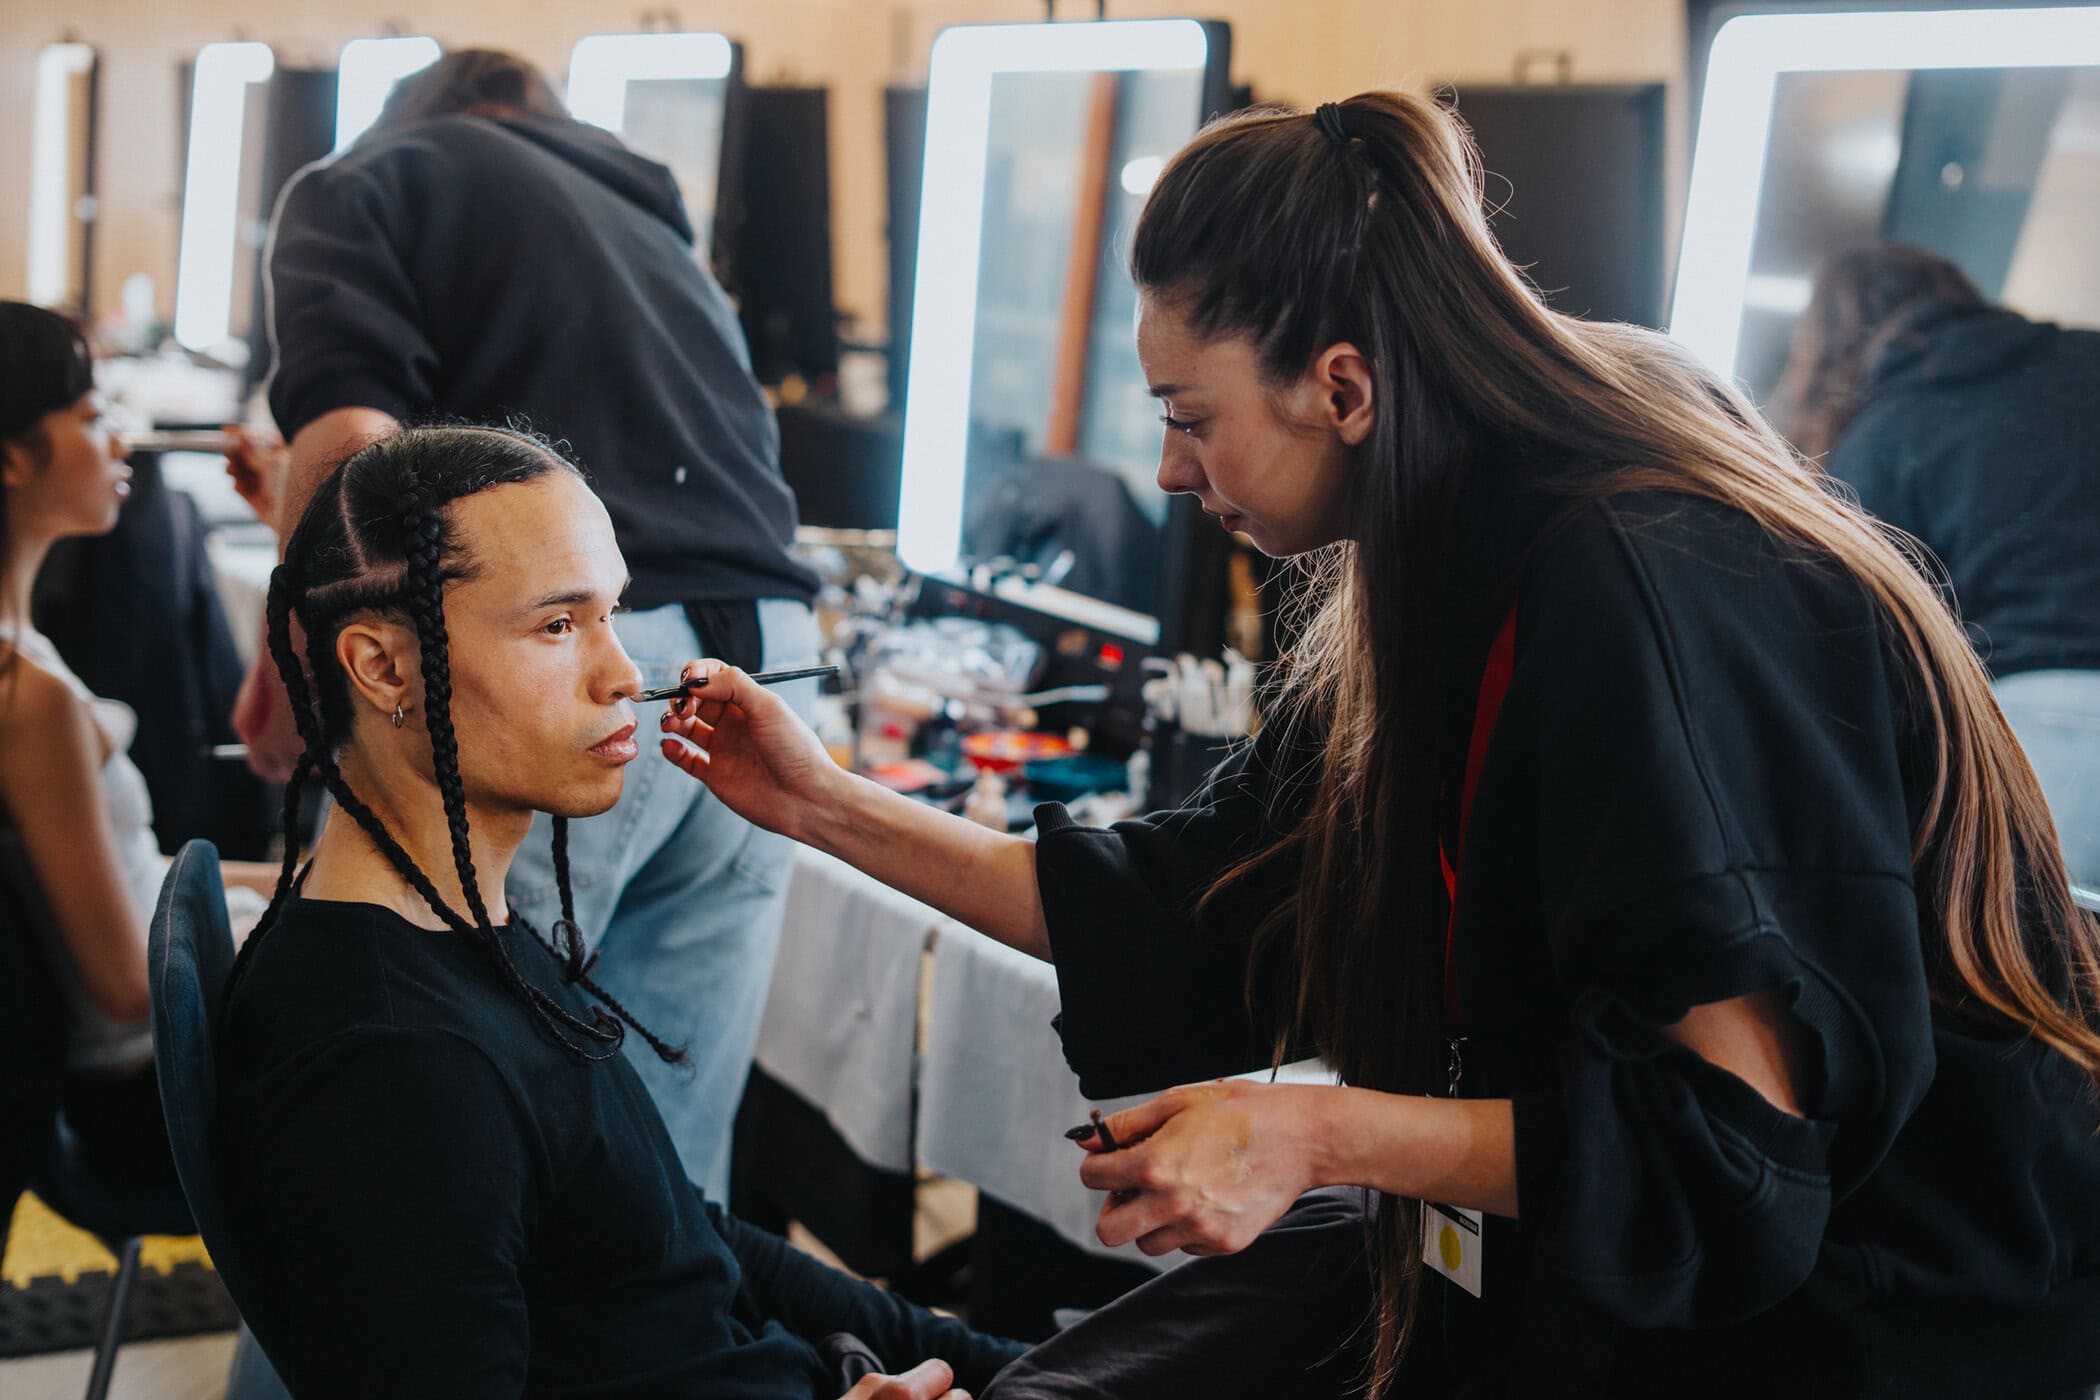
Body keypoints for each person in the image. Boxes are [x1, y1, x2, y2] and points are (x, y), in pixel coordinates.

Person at [657, 96, 2100, 1397]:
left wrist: (1316, 1134)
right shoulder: (1435, 573)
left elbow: (1725, 1142)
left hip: (1896, 1296)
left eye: (1187, 416)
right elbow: (1192, 902)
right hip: (1624, 1277)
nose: (1168, 468)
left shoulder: (1641, 572)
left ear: (1343, 386)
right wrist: (820, 803)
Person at [219, 423, 1370, 1398]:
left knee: (1345, 1257)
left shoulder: (470, 940)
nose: (626, 673)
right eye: (559, 625)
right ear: (380, 667)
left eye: (617, 615)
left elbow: (686, 1240)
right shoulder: (393, 1059)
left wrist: (990, 1362)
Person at [238, 49, 823, 1201]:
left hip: (583, 647)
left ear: (416, 113)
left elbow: (351, 441)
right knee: (657, 1189)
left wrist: (296, 657)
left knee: (397, 1140)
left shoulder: (367, 179)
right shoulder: (653, 221)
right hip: (772, 673)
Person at [0, 302, 275, 1195]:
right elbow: (126, 989)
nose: (121, 437)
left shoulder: (29, 658)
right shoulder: (24, 697)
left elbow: (128, 870)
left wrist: (302, 886)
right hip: (150, 1101)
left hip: (156, 1062)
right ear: (10, 458)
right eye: (90, 415)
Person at [1773, 243, 2100, 886]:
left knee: (2027, 977)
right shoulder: (2089, 359)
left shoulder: (1885, 431)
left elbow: (1854, 651)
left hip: (2037, 733)